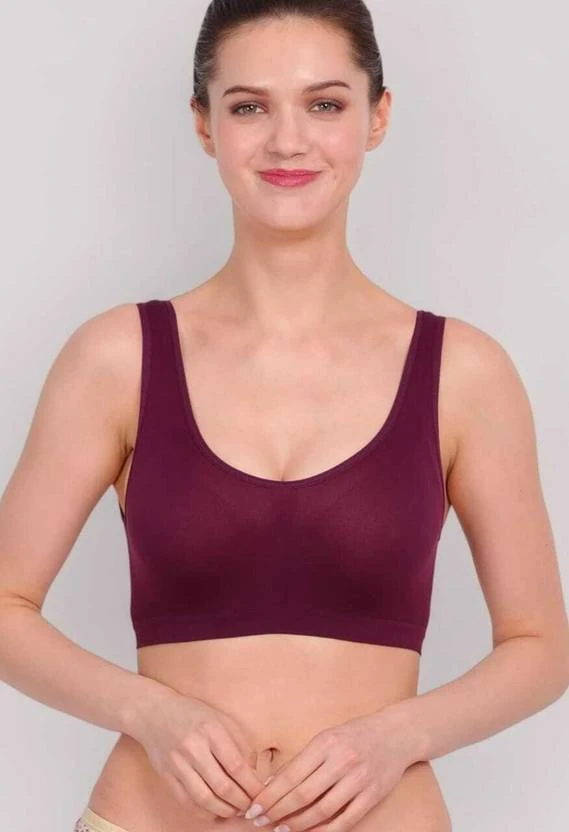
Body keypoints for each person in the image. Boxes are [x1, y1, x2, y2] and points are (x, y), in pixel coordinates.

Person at [1, 1, 568, 831]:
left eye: (325, 103)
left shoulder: (464, 373)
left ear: (377, 115)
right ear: (204, 124)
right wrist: (151, 713)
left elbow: (540, 646)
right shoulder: (116, 358)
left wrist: (396, 736)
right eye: (249, 107)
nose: (287, 141)